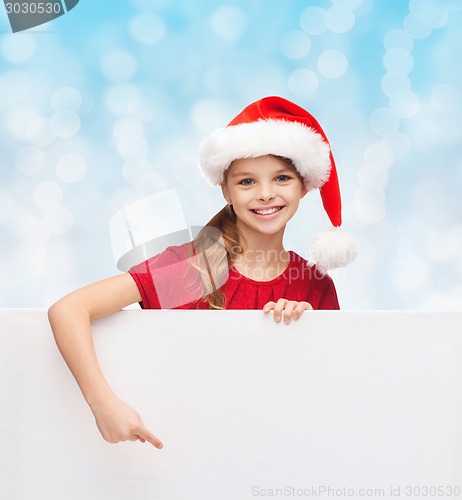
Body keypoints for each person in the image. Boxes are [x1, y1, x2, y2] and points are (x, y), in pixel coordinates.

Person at [48, 96, 358, 449]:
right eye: (246, 182)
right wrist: (104, 405)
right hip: (192, 454)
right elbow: (69, 310)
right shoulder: (194, 270)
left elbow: (328, 390)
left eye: (282, 178)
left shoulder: (314, 285)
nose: (266, 194)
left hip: (274, 455)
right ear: (225, 189)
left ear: (304, 185)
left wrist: (304, 332)